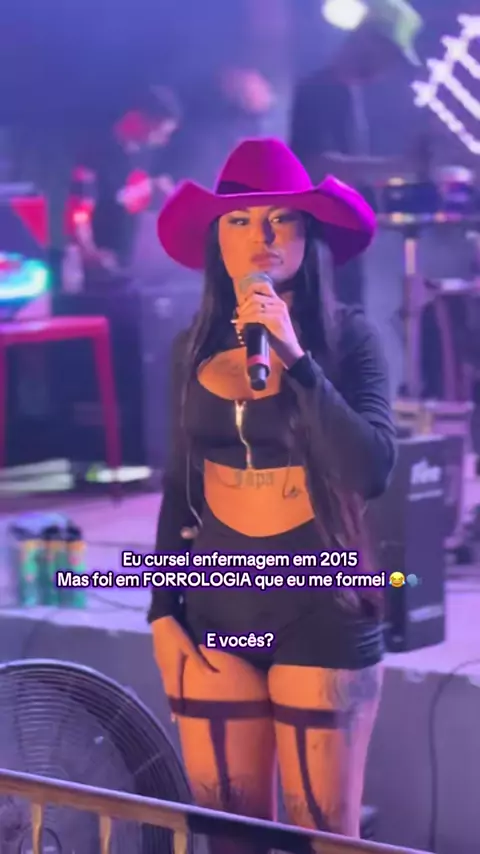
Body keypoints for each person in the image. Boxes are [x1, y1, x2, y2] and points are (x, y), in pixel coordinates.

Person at [148, 137, 397, 853]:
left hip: (321, 608)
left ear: (307, 235)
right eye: (239, 220)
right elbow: (179, 486)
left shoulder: (349, 340)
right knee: (228, 836)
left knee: (326, 837)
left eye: (280, 219)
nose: (261, 236)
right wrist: (162, 610)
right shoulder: (192, 346)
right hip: (217, 609)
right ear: (217, 241)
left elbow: (371, 469)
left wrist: (297, 359)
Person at [290, 0, 423, 305]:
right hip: (314, 246)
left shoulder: (351, 94)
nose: (389, 67)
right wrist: (400, 165)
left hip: (339, 246)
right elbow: (317, 165)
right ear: (367, 40)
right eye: (389, 54)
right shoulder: (318, 91)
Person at [65, 85, 182, 279]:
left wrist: (157, 190)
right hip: (101, 266)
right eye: (159, 131)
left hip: (131, 265)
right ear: (137, 119)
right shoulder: (97, 154)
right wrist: (89, 252)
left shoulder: (145, 154)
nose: (163, 141)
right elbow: (79, 210)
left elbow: (129, 196)